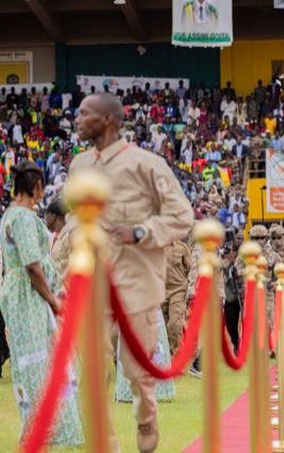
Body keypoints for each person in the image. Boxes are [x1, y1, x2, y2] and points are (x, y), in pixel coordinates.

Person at [71, 92, 193, 452]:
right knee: (93, 368)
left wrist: (141, 232)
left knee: (137, 370)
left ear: (108, 119)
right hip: (94, 283)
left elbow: (182, 216)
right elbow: (73, 225)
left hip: (137, 283)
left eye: (84, 114)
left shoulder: (146, 164)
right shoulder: (78, 167)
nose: (77, 120)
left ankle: (146, 417)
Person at [0, 161, 83, 447]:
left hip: (21, 292)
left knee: (44, 359)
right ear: (36, 187)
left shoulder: (13, 215)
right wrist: (52, 300)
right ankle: (42, 429)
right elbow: (32, 266)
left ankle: (51, 426)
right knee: (37, 362)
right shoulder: (22, 219)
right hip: (27, 295)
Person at [163, 239, 192, 355]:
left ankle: (174, 354)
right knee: (163, 327)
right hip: (161, 291)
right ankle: (165, 357)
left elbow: (190, 268)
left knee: (175, 323)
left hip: (178, 290)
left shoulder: (182, 248)